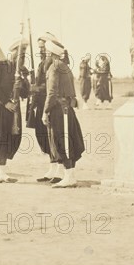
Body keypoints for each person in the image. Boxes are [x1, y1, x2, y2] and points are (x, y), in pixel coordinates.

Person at [42, 39, 85, 188]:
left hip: (58, 110)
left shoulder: (54, 67)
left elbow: (52, 92)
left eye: (47, 53)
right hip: (68, 109)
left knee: (62, 141)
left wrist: (45, 111)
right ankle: (70, 175)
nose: (46, 55)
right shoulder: (65, 66)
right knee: (69, 140)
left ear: (50, 53)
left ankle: (69, 176)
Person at [0, 39, 26, 185]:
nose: (21, 57)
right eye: (19, 53)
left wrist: (24, 84)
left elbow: (25, 93)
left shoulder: (20, 70)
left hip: (13, 109)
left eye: (24, 54)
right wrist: (6, 102)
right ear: (11, 52)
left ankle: (1, 173)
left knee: (8, 139)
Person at [28, 33, 60, 182]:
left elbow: (50, 87)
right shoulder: (43, 62)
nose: (41, 50)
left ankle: (58, 171)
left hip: (49, 104)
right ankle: (52, 169)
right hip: (40, 104)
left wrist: (34, 88)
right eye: (39, 47)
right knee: (43, 137)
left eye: (43, 47)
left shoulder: (51, 63)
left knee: (52, 137)